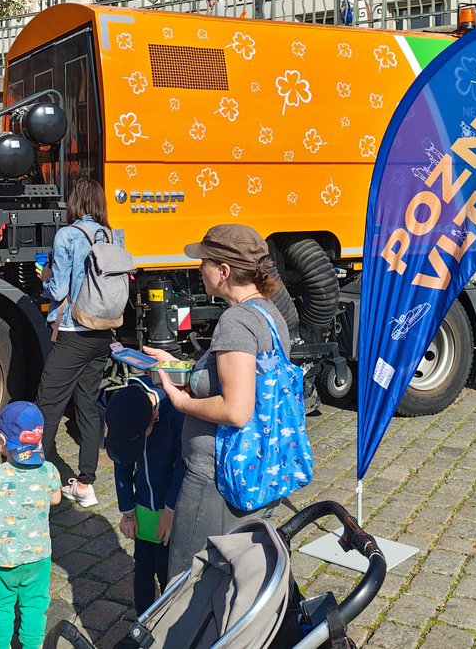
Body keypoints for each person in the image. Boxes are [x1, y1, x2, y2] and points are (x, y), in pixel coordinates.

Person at [145, 224, 293, 578]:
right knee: (236, 575)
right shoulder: (269, 315)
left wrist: (181, 403)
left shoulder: (235, 322)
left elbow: (236, 410)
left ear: (224, 271)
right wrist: (180, 369)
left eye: (205, 262)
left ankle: (185, 637)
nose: (199, 269)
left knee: (189, 579)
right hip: (257, 467)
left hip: (218, 478)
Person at [35, 177, 114, 508]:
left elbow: (59, 290)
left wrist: (44, 275)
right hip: (102, 334)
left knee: (47, 405)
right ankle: (85, 483)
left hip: (72, 332)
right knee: (87, 405)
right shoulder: (109, 234)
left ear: (75, 202)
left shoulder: (67, 235)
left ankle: (39, 479)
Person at [0, 401, 61, 649]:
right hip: (38, 556)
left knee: (1, 605)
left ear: (2, 442)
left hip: (2, 558)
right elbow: (55, 498)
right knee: (35, 604)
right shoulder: (49, 470)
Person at [104, 377, 186, 614]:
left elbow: (183, 465)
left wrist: (170, 510)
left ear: (153, 417)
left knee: (166, 570)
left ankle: (168, 623)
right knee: (142, 571)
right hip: (142, 513)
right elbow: (122, 463)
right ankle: (143, 623)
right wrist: (127, 512)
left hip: (169, 512)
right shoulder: (123, 410)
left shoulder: (174, 413)